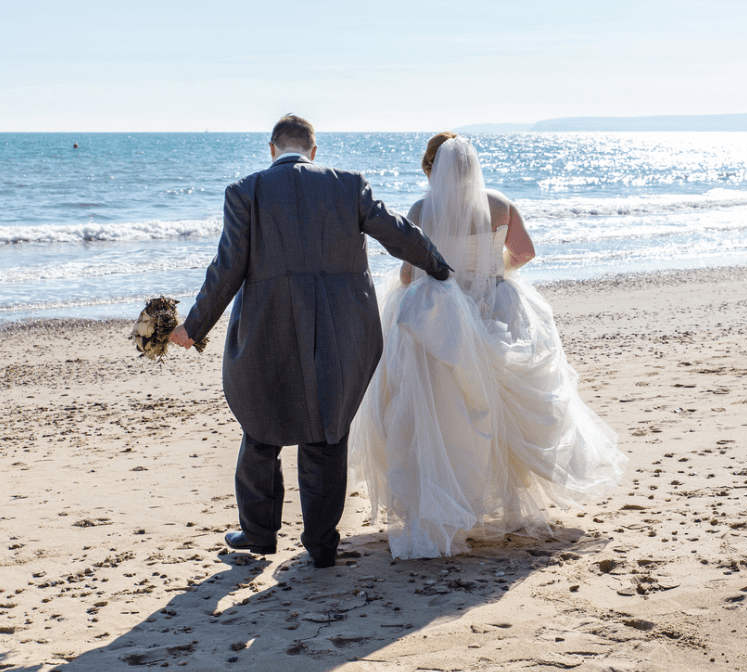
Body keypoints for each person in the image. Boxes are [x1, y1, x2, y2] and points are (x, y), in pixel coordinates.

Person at [168, 115, 451, 569]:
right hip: (342, 327)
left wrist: (193, 327)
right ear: (313, 150)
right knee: (326, 432)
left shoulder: (246, 190)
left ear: (272, 148)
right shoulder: (348, 184)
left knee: (261, 428)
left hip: (267, 326)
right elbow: (395, 232)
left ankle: (259, 534)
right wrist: (438, 265)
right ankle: (321, 544)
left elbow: (228, 267)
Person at [350, 133, 626, 559]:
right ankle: (508, 506)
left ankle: (445, 503)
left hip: (443, 318)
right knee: (499, 409)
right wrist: (493, 272)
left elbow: (408, 276)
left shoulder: (423, 210)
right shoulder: (500, 203)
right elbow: (526, 252)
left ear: (432, 168)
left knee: (442, 413)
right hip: (497, 305)